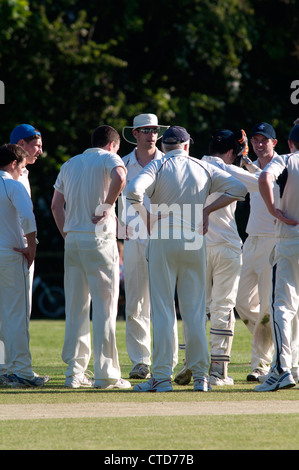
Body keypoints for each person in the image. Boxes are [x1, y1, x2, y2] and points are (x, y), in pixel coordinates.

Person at [126, 126, 248, 392]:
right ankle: (201, 377)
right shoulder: (201, 167)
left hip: (162, 239)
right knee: (194, 312)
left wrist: (146, 219)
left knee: (163, 311)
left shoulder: (157, 166)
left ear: (165, 146)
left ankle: (161, 378)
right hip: (194, 241)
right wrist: (207, 208)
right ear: (186, 146)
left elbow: (133, 192)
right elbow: (239, 189)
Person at [175, 129, 261, 386]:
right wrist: (247, 163)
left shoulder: (193, 166)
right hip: (226, 246)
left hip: (195, 244)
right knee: (223, 307)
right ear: (232, 152)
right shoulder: (228, 170)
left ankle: (190, 362)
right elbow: (263, 184)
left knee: (196, 307)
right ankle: (217, 371)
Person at [51, 125, 131, 389]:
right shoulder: (110, 157)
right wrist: (108, 205)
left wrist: (68, 234)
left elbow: (55, 205)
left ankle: (74, 374)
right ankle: (106, 375)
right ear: (112, 145)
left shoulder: (70, 164)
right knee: (105, 309)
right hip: (99, 238)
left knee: (76, 308)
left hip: (73, 240)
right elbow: (120, 176)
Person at [121, 113, 179, 380]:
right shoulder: (122, 165)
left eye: (154, 130)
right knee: (135, 304)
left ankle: (167, 360)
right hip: (134, 241)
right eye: (145, 130)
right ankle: (141, 361)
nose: (151, 135)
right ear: (135, 134)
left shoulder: (169, 163)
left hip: (165, 240)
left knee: (165, 303)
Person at [255, 124, 299, 391]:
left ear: (290, 143)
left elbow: (263, 179)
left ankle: (283, 369)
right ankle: (292, 366)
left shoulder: (286, 160)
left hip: (290, 238)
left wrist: (274, 210)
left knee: (282, 307)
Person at [235, 122, 279, 381]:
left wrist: (232, 164)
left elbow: (258, 182)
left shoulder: (281, 167)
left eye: (265, 140)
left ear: (275, 142)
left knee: (266, 306)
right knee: (240, 301)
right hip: (251, 241)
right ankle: (276, 343)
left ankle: (261, 366)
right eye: (255, 140)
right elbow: (253, 174)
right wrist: (243, 159)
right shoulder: (252, 167)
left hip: (273, 242)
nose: (259, 144)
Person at [0, 144, 43, 388]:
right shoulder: (13, 185)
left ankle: (2, 367)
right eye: (22, 166)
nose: (22, 172)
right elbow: (28, 216)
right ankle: (23, 372)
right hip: (10, 255)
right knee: (15, 316)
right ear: (14, 163)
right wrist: (32, 247)